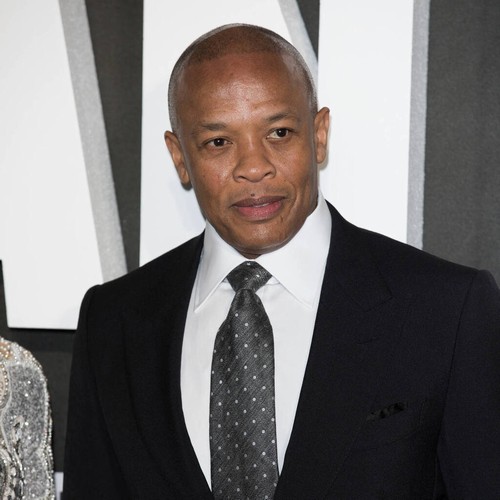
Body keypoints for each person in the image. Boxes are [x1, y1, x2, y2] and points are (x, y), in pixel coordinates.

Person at [64, 24, 500, 499]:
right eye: (218, 142)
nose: (254, 167)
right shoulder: (113, 321)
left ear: (319, 135)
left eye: (279, 132)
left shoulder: (446, 309)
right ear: (180, 157)